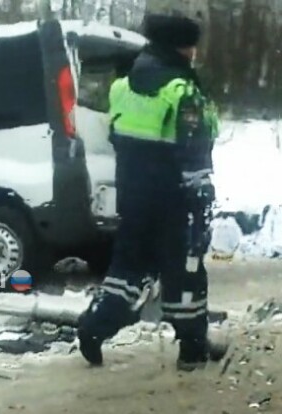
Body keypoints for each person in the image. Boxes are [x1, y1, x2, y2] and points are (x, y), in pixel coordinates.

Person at [77, 13, 219, 371]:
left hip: (135, 197)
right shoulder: (182, 91)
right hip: (176, 199)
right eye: (191, 46)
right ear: (181, 48)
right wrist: (202, 202)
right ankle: (192, 348)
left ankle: (94, 327)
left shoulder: (123, 87)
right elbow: (194, 152)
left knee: (128, 268)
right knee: (184, 272)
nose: (193, 53)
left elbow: (117, 137)